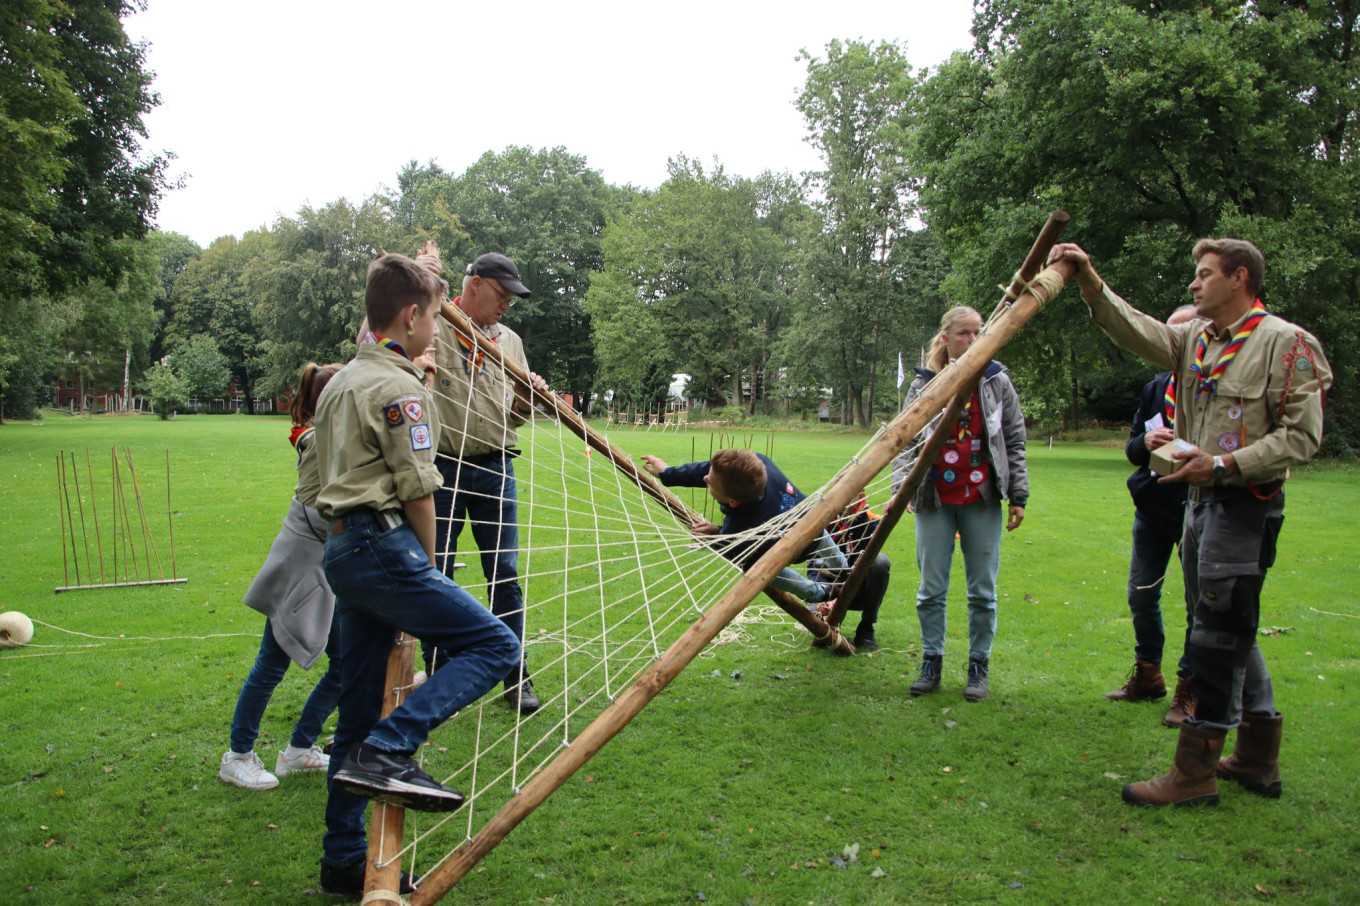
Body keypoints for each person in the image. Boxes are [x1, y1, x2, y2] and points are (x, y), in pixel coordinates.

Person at [1048, 238, 1331, 807]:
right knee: (1228, 623)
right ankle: (1256, 757)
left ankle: (1195, 773)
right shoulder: (1195, 338)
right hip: (1199, 504)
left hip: (1245, 504)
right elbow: (1136, 330)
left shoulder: (1287, 343)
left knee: (1216, 633)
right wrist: (1089, 281)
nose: (1194, 284)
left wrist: (1224, 463)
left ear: (1239, 277)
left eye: (1204, 274)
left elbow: (1302, 437)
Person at [313, 253, 521, 895]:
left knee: (356, 711)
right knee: (496, 644)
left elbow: (315, 479)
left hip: (342, 551)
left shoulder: (341, 382)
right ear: (411, 316)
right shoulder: (403, 390)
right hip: (384, 546)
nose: (438, 327)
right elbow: (419, 492)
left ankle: (343, 860)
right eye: (434, 315)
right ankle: (391, 747)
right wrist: (428, 569)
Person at [421, 247, 548, 716]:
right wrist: (420, 277)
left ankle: (516, 673)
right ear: (474, 284)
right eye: (502, 295)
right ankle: (439, 672)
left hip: (497, 468)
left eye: (512, 298)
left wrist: (528, 399)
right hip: (442, 469)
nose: (507, 305)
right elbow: (375, 339)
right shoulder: (434, 323)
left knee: (505, 574)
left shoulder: (509, 341)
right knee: (437, 573)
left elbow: (513, 416)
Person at [219, 362, 345, 791]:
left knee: (345, 664)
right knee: (271, 664)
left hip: (327, 568)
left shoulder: (333, 436)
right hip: (300, 567)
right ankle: (237, 756)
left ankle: (298, 750)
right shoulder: (317, 439)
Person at [894, 305, 1028, 703]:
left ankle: (978, 667)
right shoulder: (924, 384)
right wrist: (903, 487)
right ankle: (931, 663)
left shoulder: (996, 380)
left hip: (981, 499)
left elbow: (1014, 440)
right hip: (933, 498)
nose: (972, 339)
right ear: (946, 338)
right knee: (931, 590)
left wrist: (1018, 495)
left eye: (977, 332)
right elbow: (904, 438)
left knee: (982, 592)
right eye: (964, 333)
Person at [1105, 305, 1199, 716]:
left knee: (1199, 603)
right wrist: (1144, 443)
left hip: (1198, 508)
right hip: (1153, 508)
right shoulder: (1155, 388)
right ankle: (1148, 676)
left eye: (1181, 337)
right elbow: (1132, 449)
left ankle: (1191, 687)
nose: (1171, 344)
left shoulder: (1214, 388)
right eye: (1167, 336)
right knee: (1141, 595)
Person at [639, 449, 850, 610]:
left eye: (710, 484)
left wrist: (717, 533)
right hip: (811, 524)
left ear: (733, 502)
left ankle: (817, 593)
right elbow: (711, 471)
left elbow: (731, 542)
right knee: (822, 538)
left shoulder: (737, 528)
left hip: (784, 552)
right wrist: (667, 472)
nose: (705, 479)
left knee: (757, 568)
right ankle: (844, 569)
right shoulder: (760, 463)